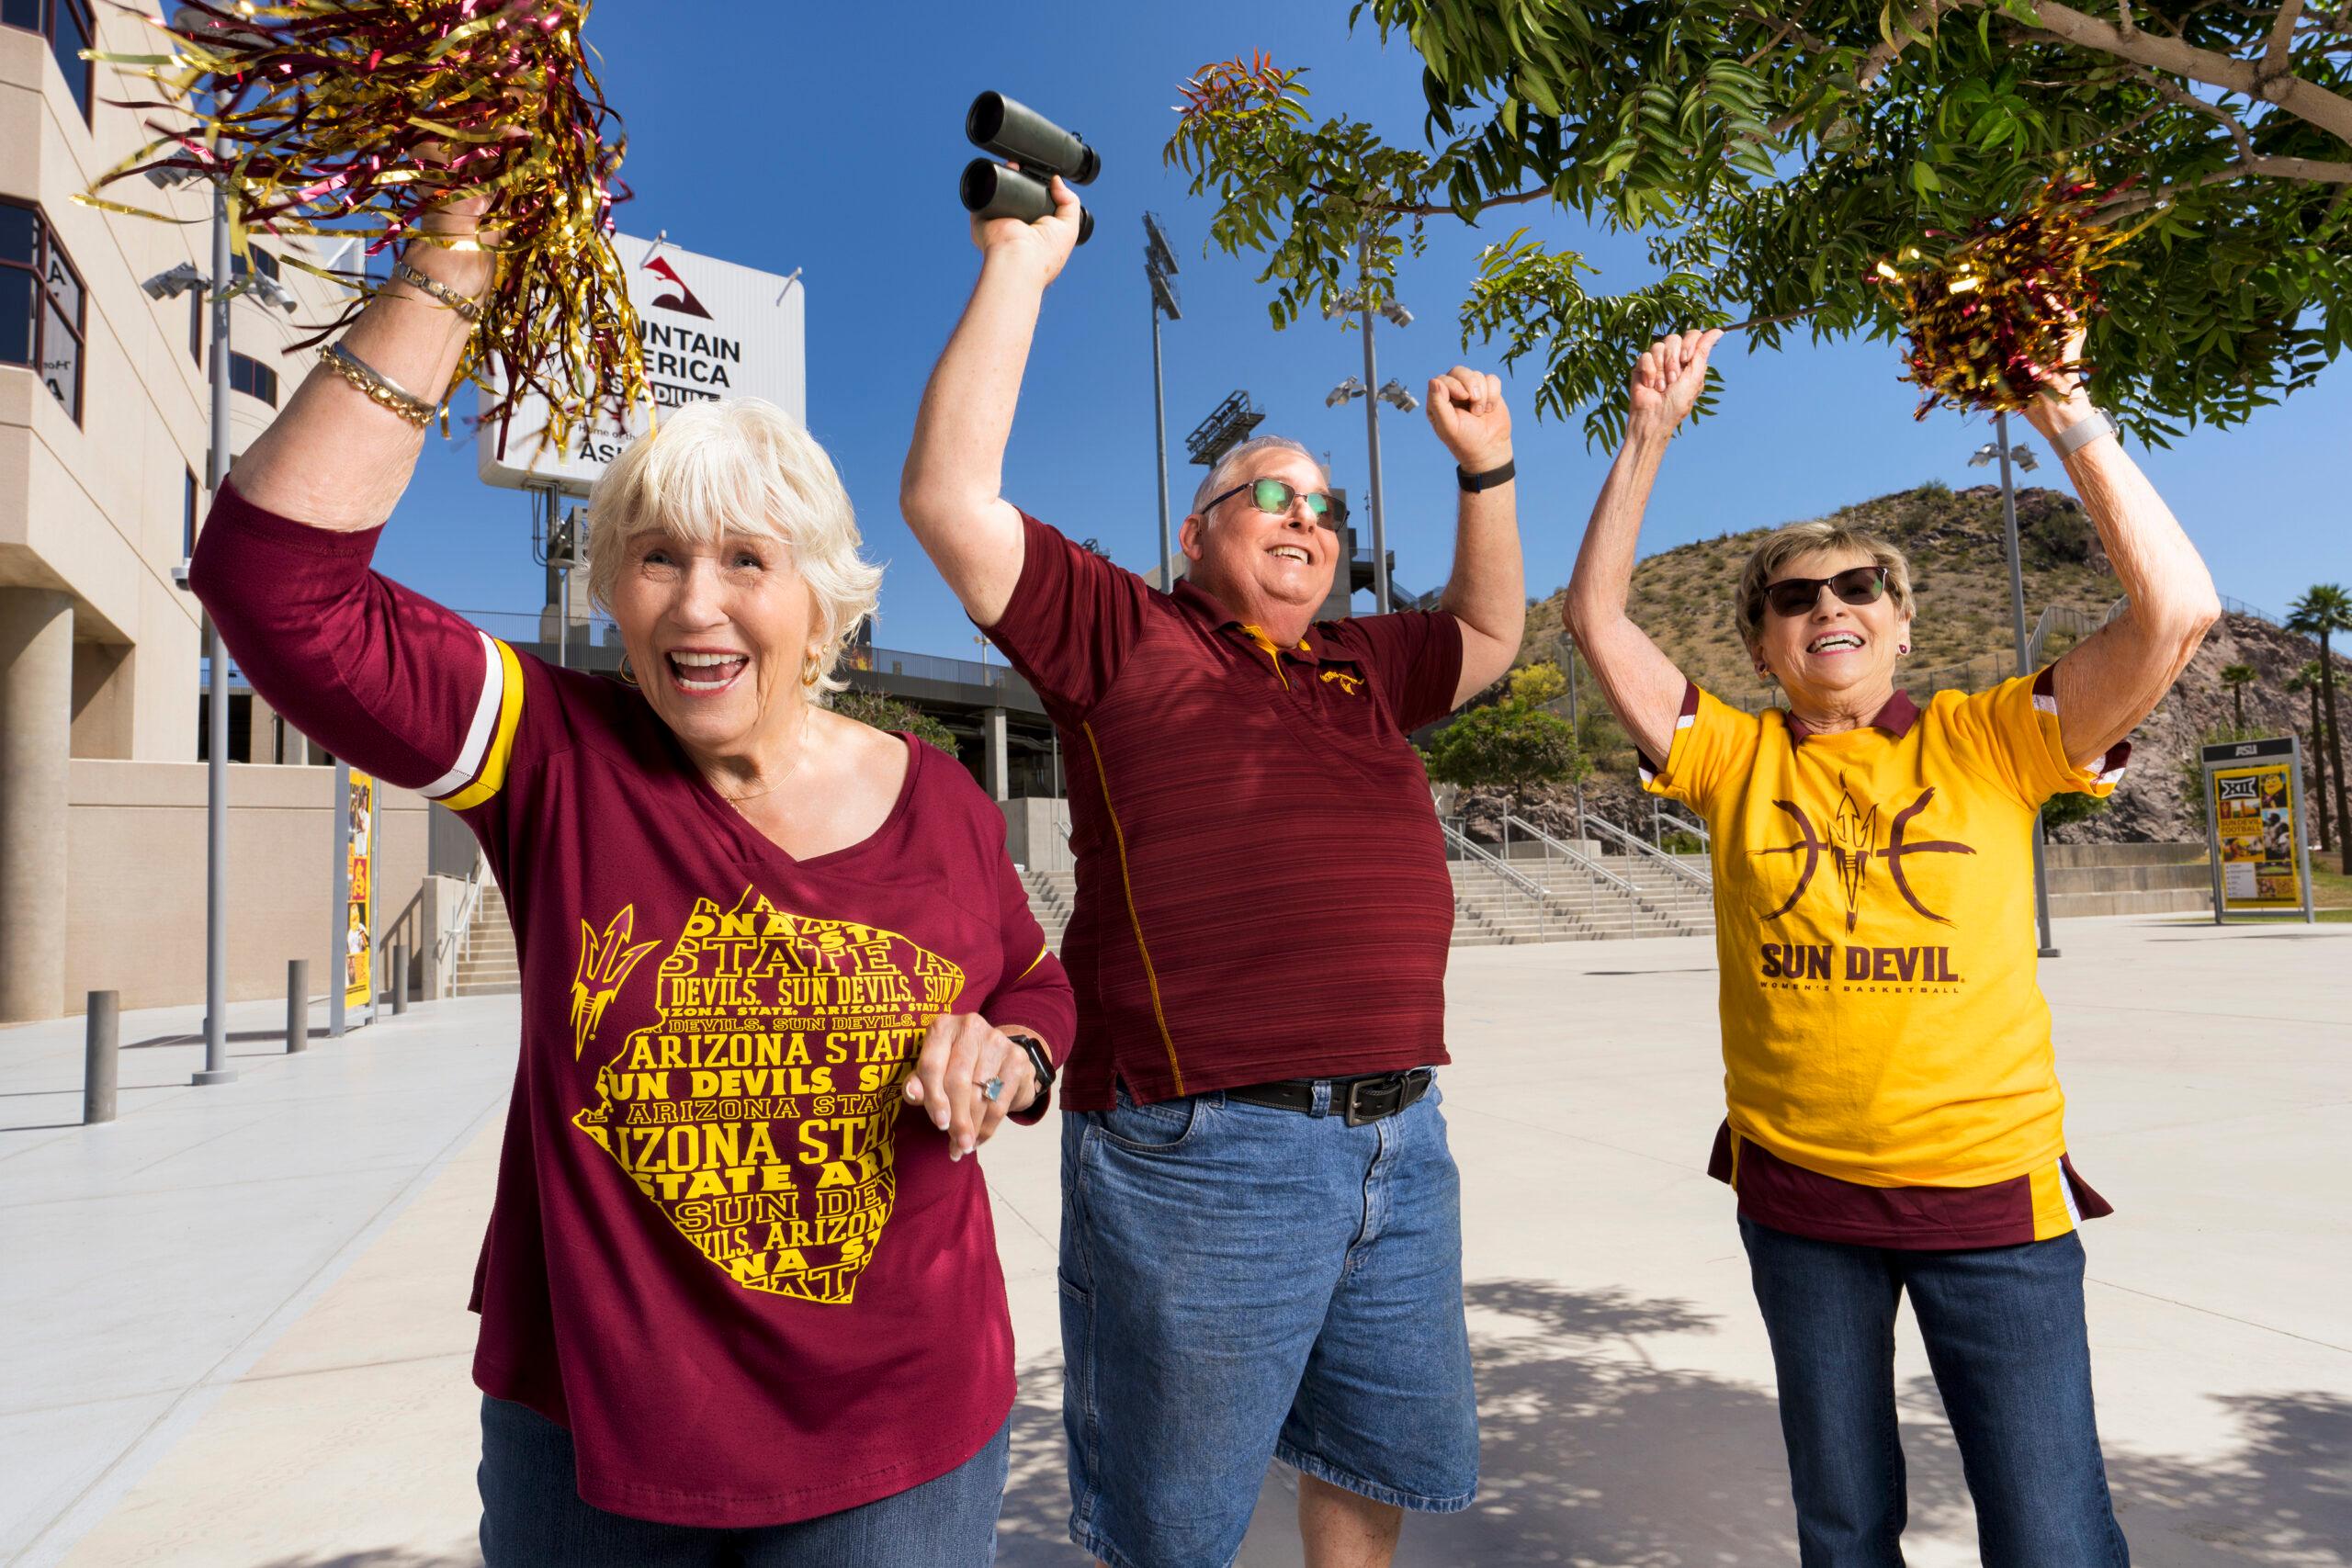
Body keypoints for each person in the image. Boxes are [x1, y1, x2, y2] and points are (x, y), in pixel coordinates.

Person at [188, 176, 1074, 1566]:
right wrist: (458, 249)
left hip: (900, 1442)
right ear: (612, 587)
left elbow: (1034, 977)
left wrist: (1011, 1055)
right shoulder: (554, 753)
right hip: (591, 1442)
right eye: (655, 558)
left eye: (746, 560)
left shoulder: (944, 798)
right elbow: (276, 588)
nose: (699, 603)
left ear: (824, 601)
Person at [899, 175, 1524, 1568]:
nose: (1305, 517)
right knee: (1170, 1526)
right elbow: (949, 499)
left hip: (1401, 1139)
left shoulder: (1366, 662)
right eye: (1269, 497)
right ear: (1199, 534)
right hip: (1202, 1154)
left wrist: (1484, 468)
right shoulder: (1124, 633)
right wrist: (1025, 262)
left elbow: (1489, 630)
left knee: (1370, 1459)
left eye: (1326, 508)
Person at [1566, 326, 2219, 1565]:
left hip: (1993, 1201)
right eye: (1794, 596)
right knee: (1845, 1524)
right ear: (1761, 644)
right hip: (1802, 1206)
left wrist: (2063, 406)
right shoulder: (1730, 755)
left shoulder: (1993, 741)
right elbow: (1597, 617)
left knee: (2052, 1532)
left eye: (1859, 586)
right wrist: (1649, 430)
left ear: (1904, 624)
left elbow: (2179, 610)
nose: (1829, 606)